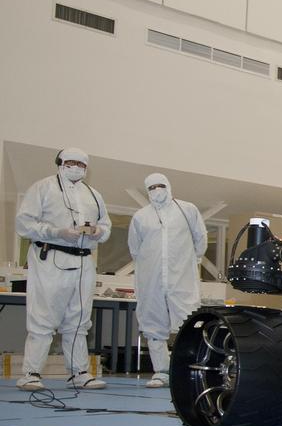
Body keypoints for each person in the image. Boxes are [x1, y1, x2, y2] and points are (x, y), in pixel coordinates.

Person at [15, 148, 110, 390]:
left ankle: (79, 372)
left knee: (78, 320)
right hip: (50, 258)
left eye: (81, 163)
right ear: (60, 163)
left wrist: (99, 232)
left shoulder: (93, 194)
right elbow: (24, 223)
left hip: (83, 261)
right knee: (43, 318)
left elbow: (105, 225)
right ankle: (31, 373)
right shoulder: (42, 188)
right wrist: (56, 232)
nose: (76, 166)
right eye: (71, 162)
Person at [128, 173, 207, 388]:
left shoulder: (187, 210)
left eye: (160, 185)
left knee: (189, 321)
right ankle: (161, 371)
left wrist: (190, 260)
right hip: (151, 278)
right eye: (151, 187)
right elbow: (135, 249)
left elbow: (200, 238)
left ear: (169, 186)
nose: (157, 190)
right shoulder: (140, 216)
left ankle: (189, 369)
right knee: (153, 324)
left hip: (182, 276)